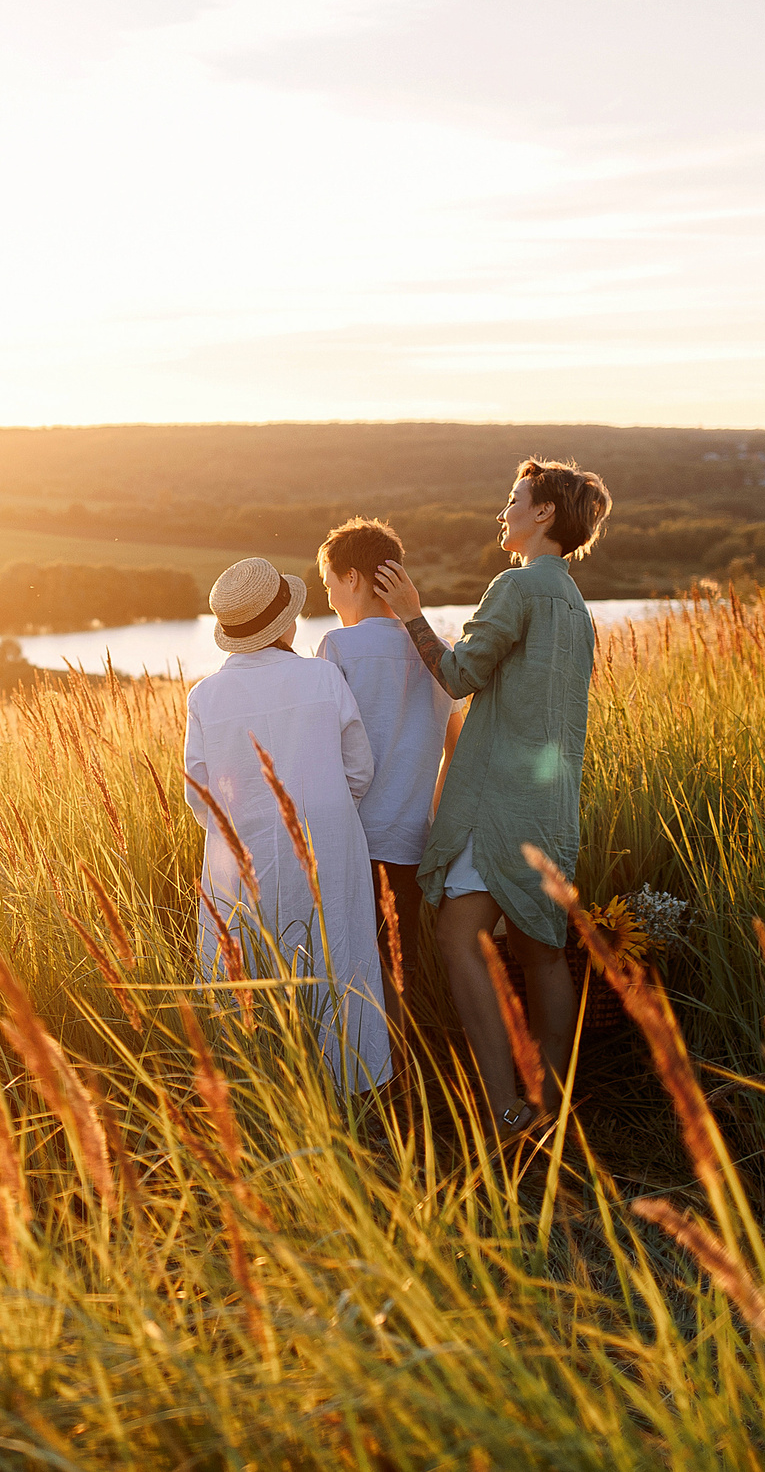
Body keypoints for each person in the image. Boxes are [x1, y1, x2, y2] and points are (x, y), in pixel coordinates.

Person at [371, 458, 612, 1144]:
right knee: (542, 948)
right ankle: (550, 1107)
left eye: (514, 500)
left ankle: (508, 1113)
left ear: (544, 515)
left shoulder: (518, 585)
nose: (502, 511)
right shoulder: (574, 604)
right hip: (552, 805)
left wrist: (412, 613)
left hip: (498, 803)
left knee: (455, 934)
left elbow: (457, 674)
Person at [183, 556, 391, 1094]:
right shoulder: (322, 676)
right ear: (287, 625)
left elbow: (197, 792)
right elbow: (358, 768)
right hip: (327, 842)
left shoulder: (204, 696)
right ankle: (350, 1084)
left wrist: (242, 823)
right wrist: (327, 808)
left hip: (241, 853)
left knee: (252, 963)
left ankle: (268, 1089)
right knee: (335, 951)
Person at [313, 517, 461, 1037]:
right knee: (401, 962)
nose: (329, 599)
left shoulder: (338, 647)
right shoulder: (436, 650)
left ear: (353, 578)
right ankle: (405, 1072)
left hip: (354, 836)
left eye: (330, 584)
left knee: (353, 963)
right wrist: (433, 807)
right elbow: (457, 744)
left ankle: (366, 1078)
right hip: (410, 837)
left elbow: (325, 746)